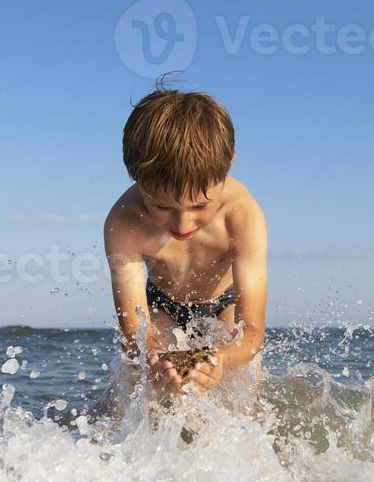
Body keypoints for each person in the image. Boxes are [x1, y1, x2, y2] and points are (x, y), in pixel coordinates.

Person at [104, 82, 267, 398]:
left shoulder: (242, 214)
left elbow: (251, 335)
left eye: (201, 205)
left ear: (227, 165)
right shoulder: (125, 222)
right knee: (148, 389)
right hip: (162, 307)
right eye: (162, 207)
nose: (182, 223)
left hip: (225, 306)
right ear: (136, 176)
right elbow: (136, 333)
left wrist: (220, 360)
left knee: (244, 400)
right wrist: (151, 359)